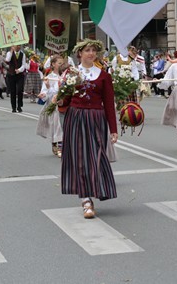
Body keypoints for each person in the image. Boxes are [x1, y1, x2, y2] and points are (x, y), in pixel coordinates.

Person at [59, 39, 118, 219]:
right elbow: (65, 99)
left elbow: (108, 103)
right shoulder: (71, 73)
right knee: (80, 159)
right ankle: (85, 200)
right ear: (80, 54)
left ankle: (98, 189)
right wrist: (59, 99)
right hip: (76, 118)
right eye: (87, 50)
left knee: (97, 157)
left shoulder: (103, 76)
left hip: (96, 119)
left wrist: (113, 129)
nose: (91, 53)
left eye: (93, 50)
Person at [37, 55, 65, 157]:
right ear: (53, 64)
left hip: (63, 104)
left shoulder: (65, 77)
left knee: (61, 126)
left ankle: (61, 145)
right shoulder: (49, 78)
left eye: (62, 63)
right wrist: (44, 94)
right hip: (53, 105)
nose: (61, 65)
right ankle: (55, 143)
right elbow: (45, 93)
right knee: (56, 125)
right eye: (59, 63)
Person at [5, 45, 26, 113]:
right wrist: (11, 51)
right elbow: (7, 60)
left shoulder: (23, 54)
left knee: (20, 90)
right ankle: (13, 107)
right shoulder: (9, 53)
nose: (18, 47)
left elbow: (24, 64)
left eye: (19, 46)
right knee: (13, 91)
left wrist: (19, 70)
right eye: (16, 46)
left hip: (20, 74)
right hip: (11, 74)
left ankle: (19, 106)